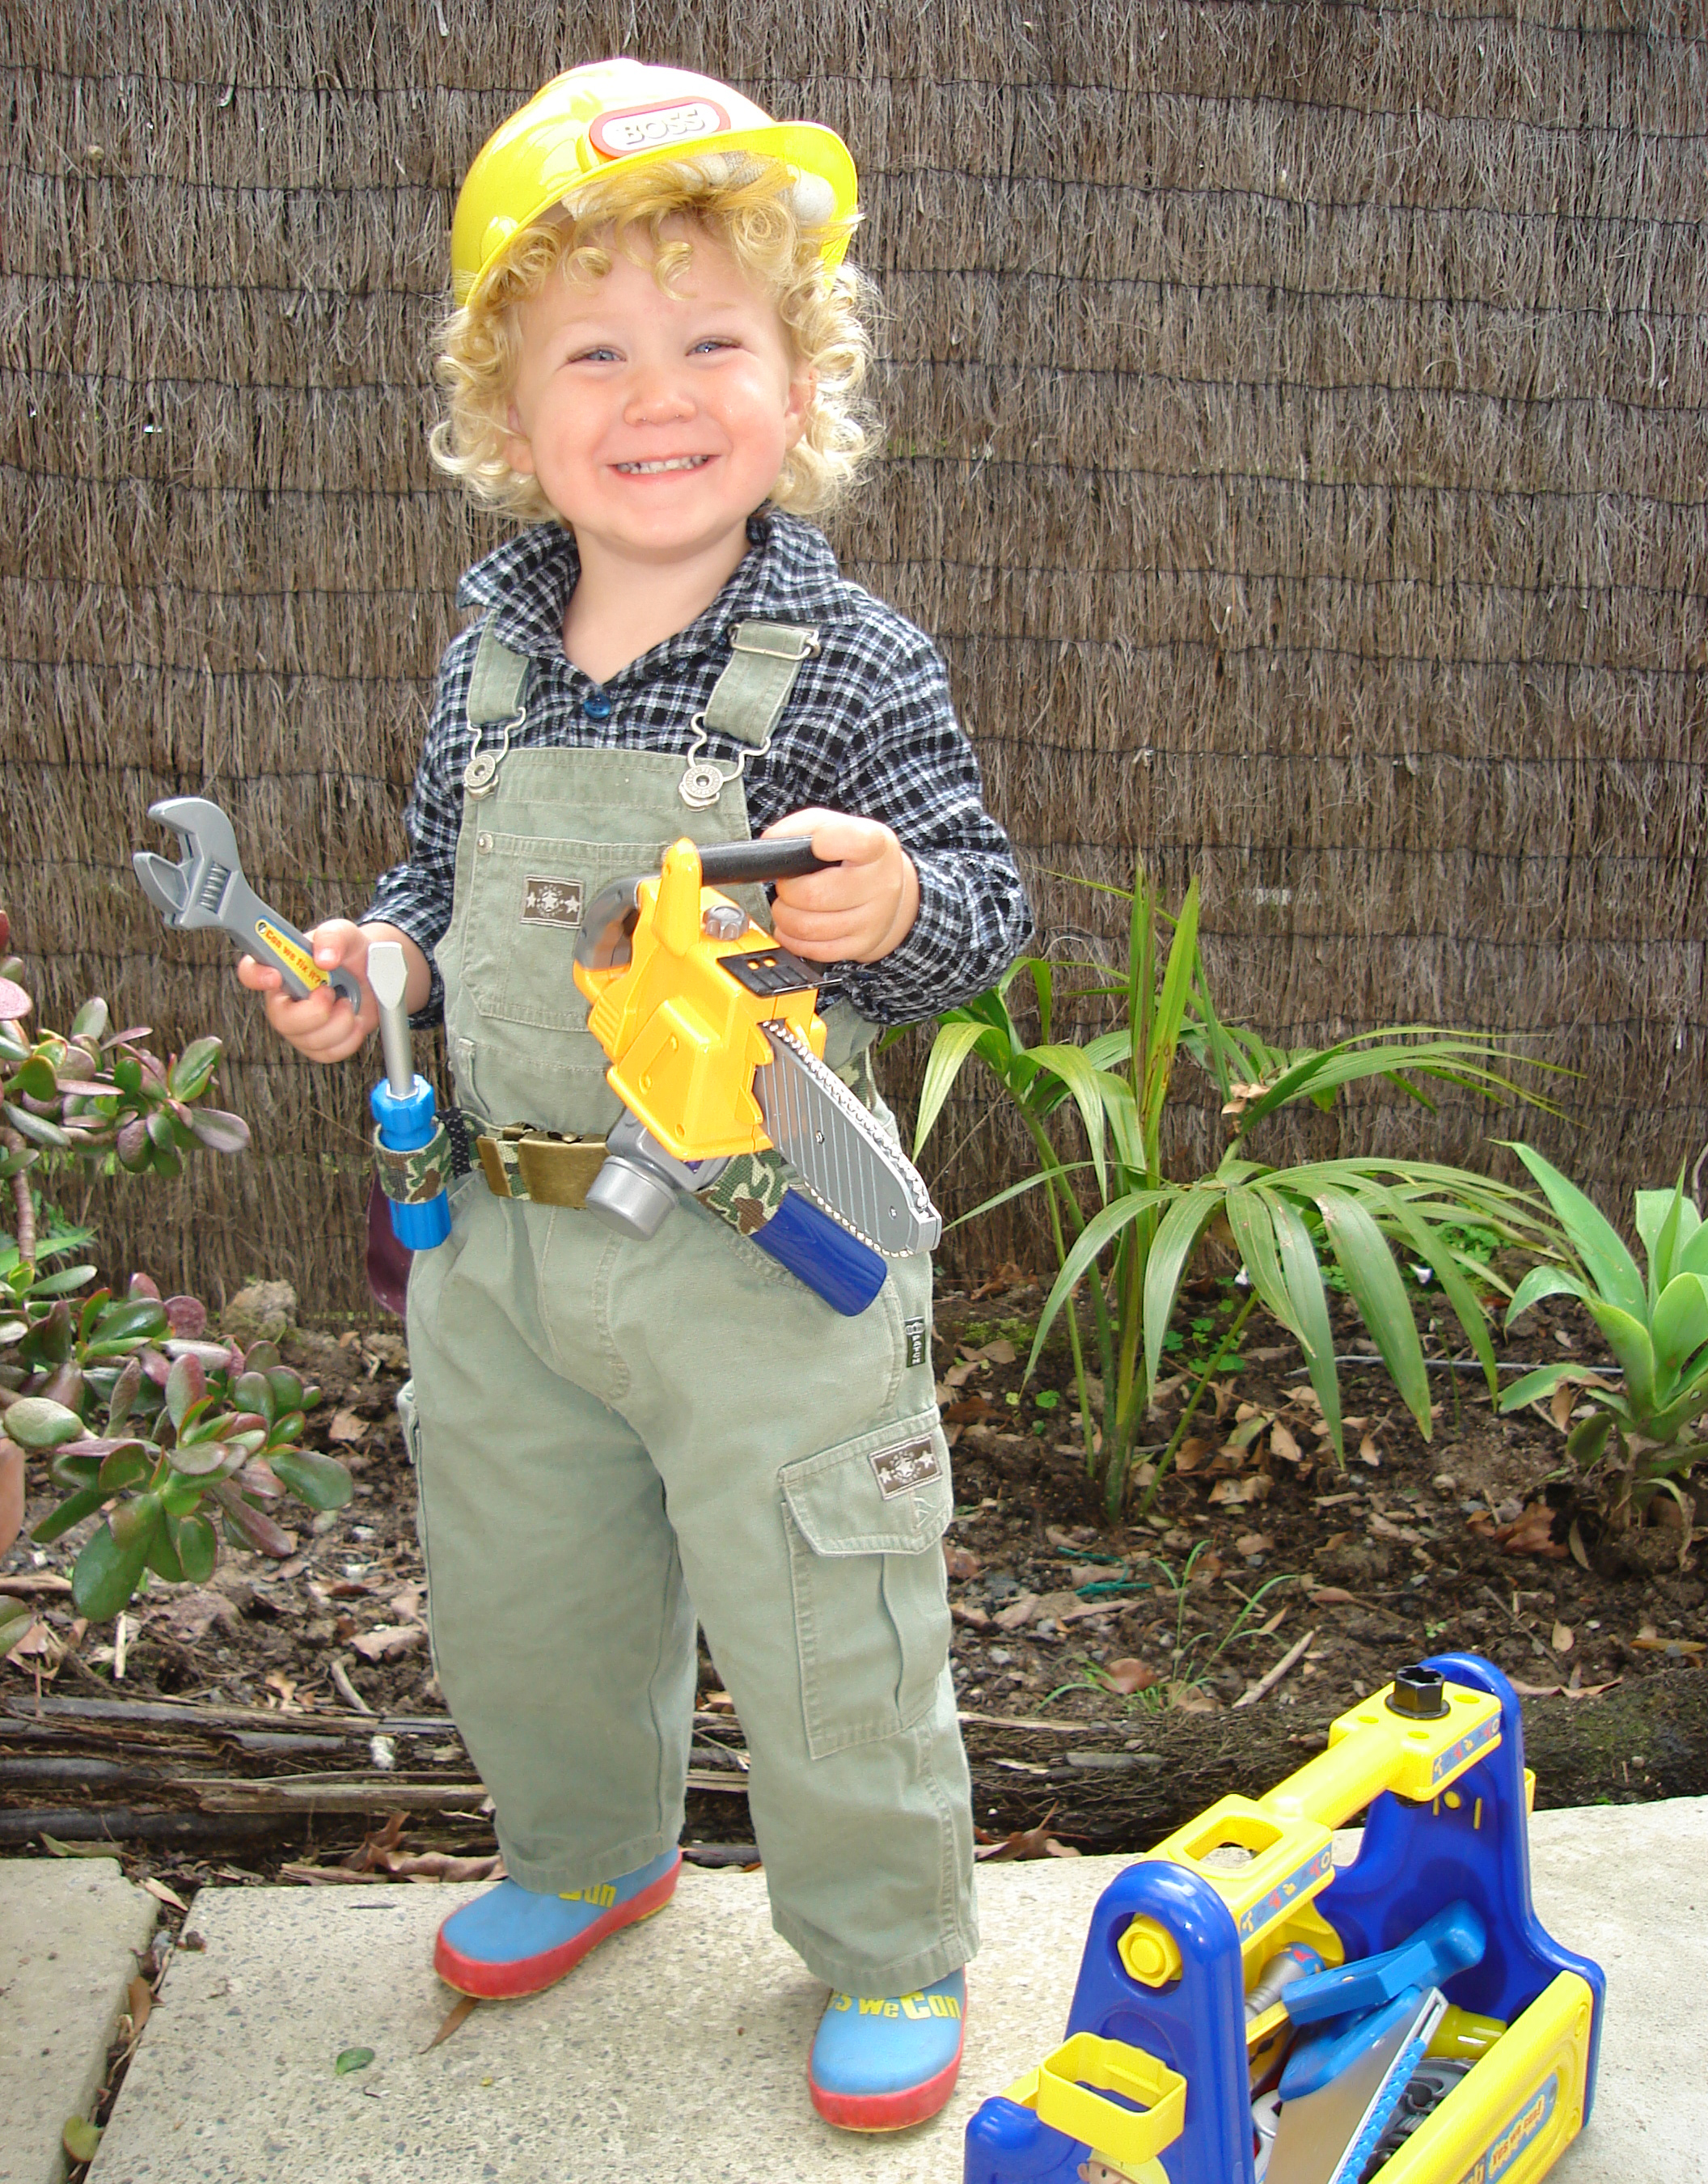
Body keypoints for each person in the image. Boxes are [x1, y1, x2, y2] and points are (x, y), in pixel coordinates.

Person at [241, 58, 1031, 2132]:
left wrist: (894, 901)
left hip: (762, 1257)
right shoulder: (488, 644)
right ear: (512, 413)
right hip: (501, 1238)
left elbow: (988, 914)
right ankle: (589, 1849)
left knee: (821, 1609)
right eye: (592, 348)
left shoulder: (847, 659)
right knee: (527, 1587)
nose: (654, 390)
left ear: (800, 385)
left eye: (712, 339)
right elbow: (430, 874)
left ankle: (879, 1947)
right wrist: (377, 966)